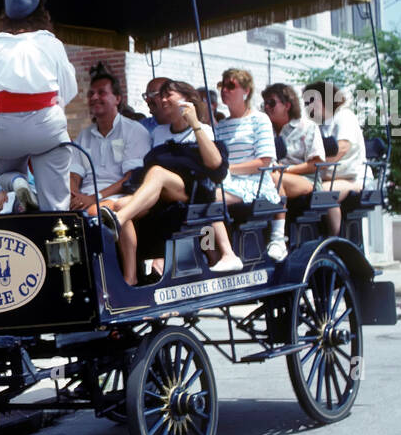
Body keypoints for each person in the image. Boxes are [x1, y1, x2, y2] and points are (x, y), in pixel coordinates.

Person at [107, 79, 241, 282]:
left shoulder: (203, 129)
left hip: (190, 192)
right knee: (120, 204)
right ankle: (130, 277)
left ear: (187, 99)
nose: (163, 99)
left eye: (168, 94)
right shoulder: (159, 132)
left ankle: (118, 221)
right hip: (161, 195)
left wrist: (195, 123)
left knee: (158, 172)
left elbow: (215, 165)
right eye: (161, 95)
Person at [0, 0, 77, 211]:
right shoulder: (51, 43)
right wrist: (50, 111)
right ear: (41, 14)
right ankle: (56, 233)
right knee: (56, 201)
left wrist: (11, 113)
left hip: (5, 127)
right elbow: (68, 88)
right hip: (46, 123)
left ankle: (16, 181)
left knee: (4, 173)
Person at [215, 68, 285, 261]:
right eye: (222, 85)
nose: (225, 90)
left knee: (211, 198)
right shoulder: (220, 126)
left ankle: (229, 255)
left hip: (255, 183)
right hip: (228, 182)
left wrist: (229, 169)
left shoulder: (259, 120)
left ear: (246, 91)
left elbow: (264, 161)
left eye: (231, 86)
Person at [261, 82, 342, 236]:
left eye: (271, 103)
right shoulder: (264, 130)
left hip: (307, 180)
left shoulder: (307, 127)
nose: (267, 107)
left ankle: (277, 236)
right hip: (272, 176)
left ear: (287, 105)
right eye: (264, 103)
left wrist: (287, 170)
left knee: (273, 180)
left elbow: (317, 162)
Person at [69, 65, 151, 215]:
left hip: (119, 197)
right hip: (85, 197)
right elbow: (74, 175)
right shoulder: (84, 135)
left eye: (101, 93)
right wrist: (75, 197)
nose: (94, 98)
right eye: (91, 94)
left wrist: (95, 198)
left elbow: (130, 177)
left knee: (94, 212)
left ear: (117, 99)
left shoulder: (134, 130)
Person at [303, 80, 369, 199]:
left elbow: (342, 148)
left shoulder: (344, 116)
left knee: (319, 194)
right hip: (329, 179)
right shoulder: (321, 125)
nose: (308, 107)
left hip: (352, 179)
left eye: (311, 101)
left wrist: (316, 165)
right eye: (306, 103)